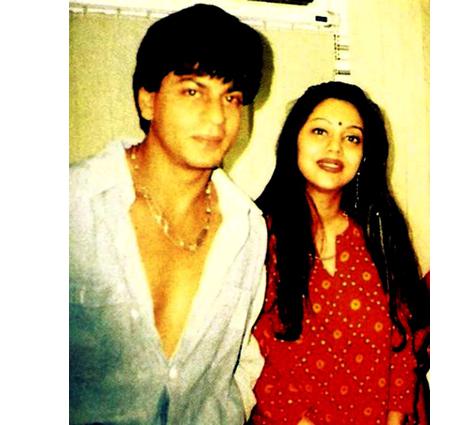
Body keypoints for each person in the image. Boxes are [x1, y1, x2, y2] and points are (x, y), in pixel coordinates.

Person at [69, 4, 269, 424]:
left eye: (231, 97)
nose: (216, 117)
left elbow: (241, 358)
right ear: (147, 100)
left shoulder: (247, 228)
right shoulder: (72, 204)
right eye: (193, 91)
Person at [249, 82, 430, 425]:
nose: (335, 147)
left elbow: (402, 347)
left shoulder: (379, 235)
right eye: (320, 131)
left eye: (352, 138)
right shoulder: (255, 236)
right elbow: (249, 358)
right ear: (293, 140)